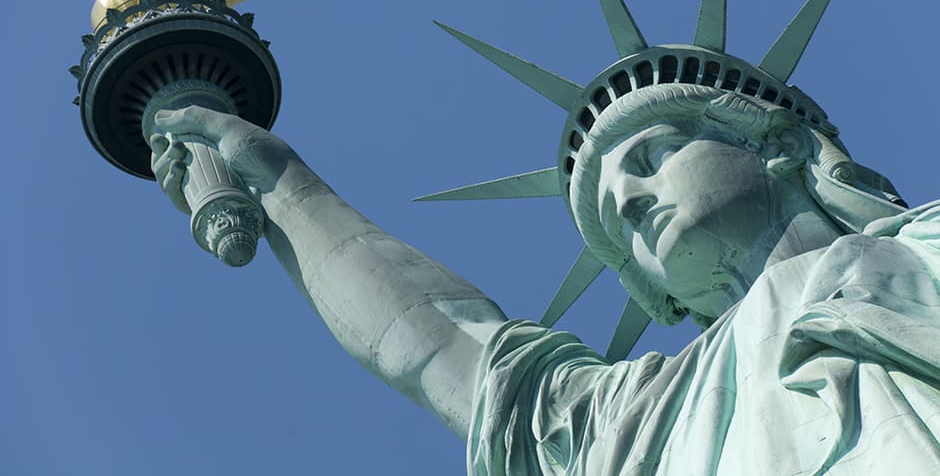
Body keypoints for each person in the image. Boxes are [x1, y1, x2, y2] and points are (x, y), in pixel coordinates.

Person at [149, 76, 940, 474]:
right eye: (609, 208)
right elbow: (443, 350)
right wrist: (287, 190)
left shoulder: (928, 243)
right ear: (652, 294)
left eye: (654, 156)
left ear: (782, 149)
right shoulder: (632, 422)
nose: (630, 198)